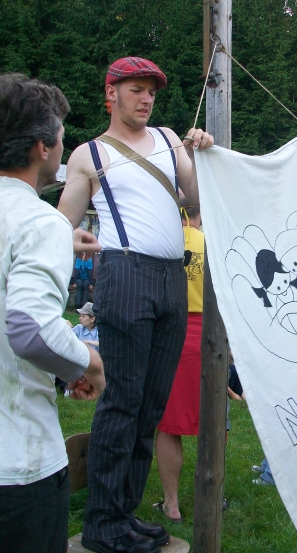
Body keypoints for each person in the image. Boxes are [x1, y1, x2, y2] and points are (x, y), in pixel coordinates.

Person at [58, 56, 214, 553]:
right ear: (111, 93)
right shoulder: (89, 154)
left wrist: (203, 152)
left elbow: (196, 198)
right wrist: (69, 239)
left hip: (173, 278)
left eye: (151, 91)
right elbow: (61, 225)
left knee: (150, 406)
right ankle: (103, 523)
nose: (146, 98)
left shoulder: (169, 139)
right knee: (123, 401)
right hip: (124, 274)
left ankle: (123, 512)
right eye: (136, 89)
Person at [0, 73, 106, 553]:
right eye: (62, 136)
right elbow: (29, 329)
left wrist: (58, 239)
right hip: (17, 470)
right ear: (43, 148)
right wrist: (88, 363)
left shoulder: (40, 226)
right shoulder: (40, 221)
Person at [154, 199, 204, 523]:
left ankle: (171, 503)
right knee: (213, 421)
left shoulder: (162, 241)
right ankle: (213, 492)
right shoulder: (213, 241)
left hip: (171, 331)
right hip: (206, 334)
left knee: (168, 425)